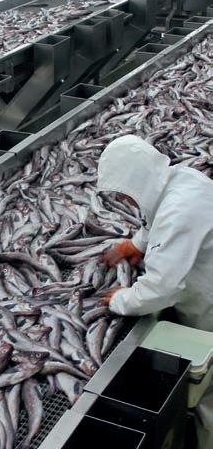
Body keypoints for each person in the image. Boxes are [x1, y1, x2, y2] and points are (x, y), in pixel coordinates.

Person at [97, 134, 213, 449]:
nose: (124, 201)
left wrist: (120, 300)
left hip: (209, 305)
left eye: (125, 194)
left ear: (138, 183)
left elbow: (162, 288)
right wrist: (136, 244)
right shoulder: (180, 180)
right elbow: (157, 221)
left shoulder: (178, 211)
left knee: (209, 394)